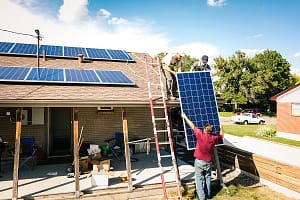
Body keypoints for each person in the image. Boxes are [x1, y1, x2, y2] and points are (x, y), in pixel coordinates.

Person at [181, 113, 224, 200]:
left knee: (199, 179)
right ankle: (208, 194)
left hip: (199, 162)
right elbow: (222, 135)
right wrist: (222, 126)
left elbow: (192, 125)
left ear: (205, 129)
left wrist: (185, 117)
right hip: (209, 162)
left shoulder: (200, 135)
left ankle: (202, 197)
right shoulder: (213, 138)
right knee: (208, 178)